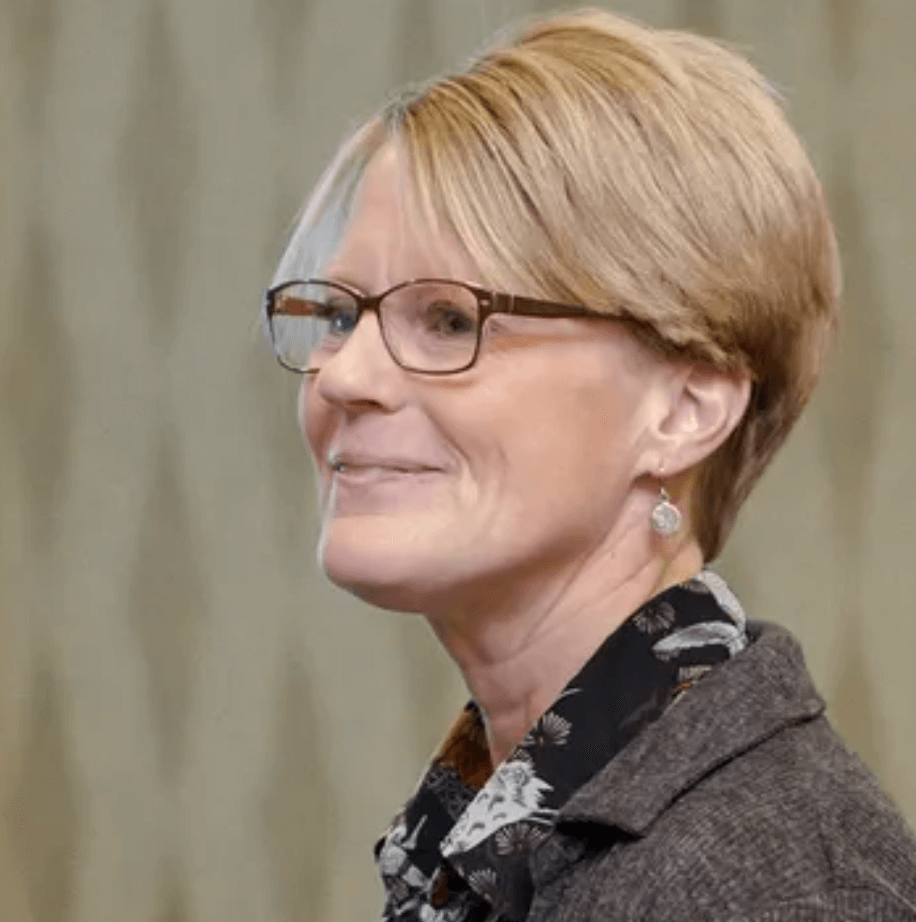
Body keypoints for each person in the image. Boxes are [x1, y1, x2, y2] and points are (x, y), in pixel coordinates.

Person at [262, 8, 916, 921]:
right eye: (338, 313)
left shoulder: (783, 887)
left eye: (450, 318)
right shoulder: (509, 836)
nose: (345, 374)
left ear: (684, 411)